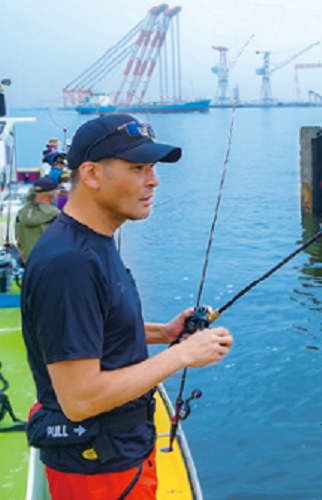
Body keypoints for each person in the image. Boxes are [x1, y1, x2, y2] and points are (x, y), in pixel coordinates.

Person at [21, 114, 234, 500]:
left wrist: (164, 334)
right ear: (90, 174)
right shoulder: (70, 263)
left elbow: (94, 326)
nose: (153, 180)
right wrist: (182, 355)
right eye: (137, 168)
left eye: (151, 168)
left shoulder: (93, 241)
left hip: (120, 457)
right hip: (97, 472)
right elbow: (80, 398)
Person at [15, 176, 61, 264]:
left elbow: (18, 241)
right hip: (50, 266)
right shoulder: (56, 215)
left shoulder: (20, 214)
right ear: (52, 193)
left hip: (29, 266)